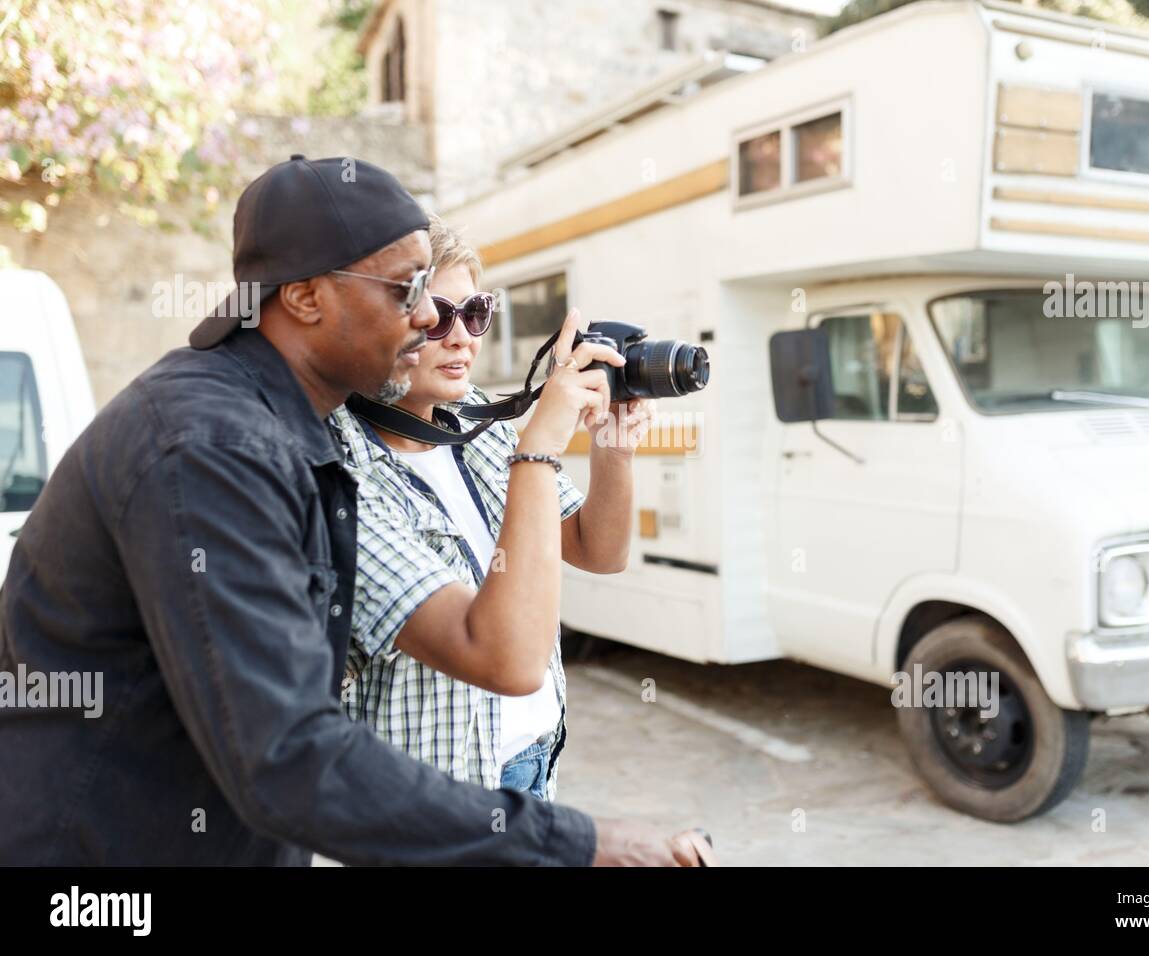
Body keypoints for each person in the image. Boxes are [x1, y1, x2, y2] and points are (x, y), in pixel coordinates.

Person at [0, 155, 713, 867]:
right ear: (307, 299)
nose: (438, 319)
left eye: (466, 307)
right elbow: (287, 757)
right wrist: (583, 843)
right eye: (409, 290)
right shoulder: (214, 448)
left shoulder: (280, 424)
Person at [332, 219, 653, 801]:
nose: (463, 339)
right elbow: (500, 657)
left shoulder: (476, 421)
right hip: (436, 801)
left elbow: (598, 551)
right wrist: (540, 442)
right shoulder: (343, 463)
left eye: (475, 313)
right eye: (438, 316)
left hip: (533, 765)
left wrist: (612, 448)